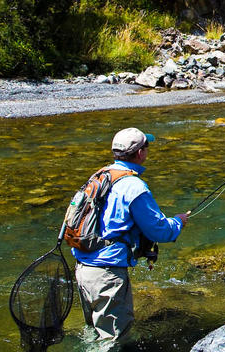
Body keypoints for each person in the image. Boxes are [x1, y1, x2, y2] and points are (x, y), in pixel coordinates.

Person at [72, 127, 188, 345]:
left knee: (93, 334)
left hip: (83, 269)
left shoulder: (101, 175)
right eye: (146, 147)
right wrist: (178, 222)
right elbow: (159, 231)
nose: (147, 151)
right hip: (107, 275)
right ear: (140, 153)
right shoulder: (134, 187)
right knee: (114, 341)